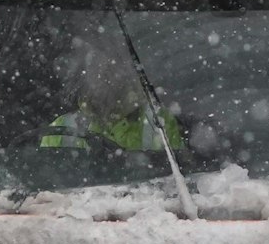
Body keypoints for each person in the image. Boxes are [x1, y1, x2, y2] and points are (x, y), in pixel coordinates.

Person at [38, 20, 184, 153]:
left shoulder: (158, 122)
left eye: (111, 68)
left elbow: (178, 176)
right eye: (95, 67)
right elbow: (46, 177)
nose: (103, 75)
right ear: (84, 75)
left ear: (127, 72)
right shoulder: (61, 128)